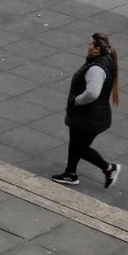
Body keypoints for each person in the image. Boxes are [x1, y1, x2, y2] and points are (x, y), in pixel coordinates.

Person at [52, 32, 122, 190]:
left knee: (80, 148)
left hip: (89, 117)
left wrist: (76, 101)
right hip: (90, 116)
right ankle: (70, 174)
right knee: (76, 144)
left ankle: (109, 169)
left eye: (90, 44)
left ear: (97, 49)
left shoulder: (96, 69)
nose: (88, 45)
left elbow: (92, 93)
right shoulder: (103, 61)